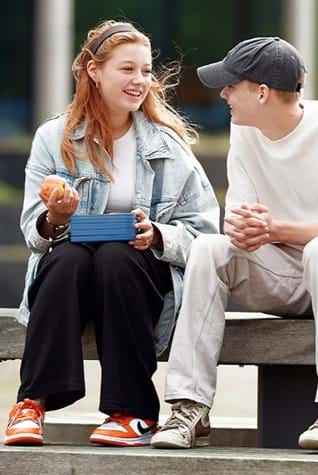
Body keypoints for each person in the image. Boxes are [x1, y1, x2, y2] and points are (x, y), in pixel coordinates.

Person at [150, 37, 318, 452]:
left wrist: (273, 231)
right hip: (291, 275)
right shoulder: (246, 132)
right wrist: (243, 231)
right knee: (209, 249)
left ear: (261, 92)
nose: (223, 94)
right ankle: (190, 409)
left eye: (231, 85)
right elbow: (243, 225)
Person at [4, 20, 219, 448]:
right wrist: (57, 218)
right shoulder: (55, 137)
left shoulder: (169, 145)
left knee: (116, 257)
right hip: (70, 272)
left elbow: (205, 233)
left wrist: (156, 234)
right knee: (69, 256)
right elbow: (35, 233)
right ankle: (32, 402)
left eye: (145, 71)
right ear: (93, 70)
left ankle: (132, 412)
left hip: (139, 274)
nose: (140, 81)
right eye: (127, 69)